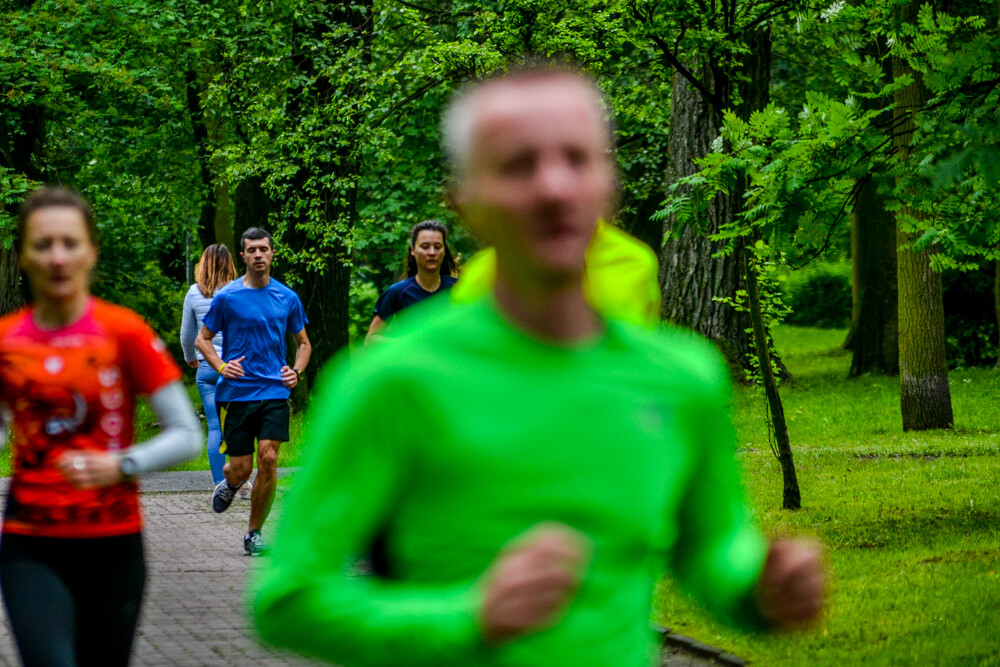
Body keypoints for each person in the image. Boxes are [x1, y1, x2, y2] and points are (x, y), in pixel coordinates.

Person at [252, 66, 823, 666]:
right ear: (464, 202)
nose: (554, 187)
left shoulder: (685, 377)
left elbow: (711, 549)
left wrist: (759, 587)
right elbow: (288, 599)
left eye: (577, 159)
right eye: (519, 166)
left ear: (610, 184)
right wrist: (469, 620)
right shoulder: (392, 381)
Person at [0, 187, 202, 667]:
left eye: (70, 243)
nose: (57, 257)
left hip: (112, 545)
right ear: (23, 256)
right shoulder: (7, 341)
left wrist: (121, 464)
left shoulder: (124, 332)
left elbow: (186, 433)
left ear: (91, 251)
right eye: (42, 244)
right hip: (31, 545)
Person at [195, 227, 311, 556]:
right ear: (243, 256)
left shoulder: (287, 297)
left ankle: (254, 533)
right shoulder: (228, 297)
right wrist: (220, 366)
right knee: (242, 467)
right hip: (236, 394)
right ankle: (231, 482)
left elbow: (303, 344)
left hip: (274, 391)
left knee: (269, 459)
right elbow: (202, 340)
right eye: (252, 250)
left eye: (264, 249)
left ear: (273, 254)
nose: (258, 255)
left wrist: (297, 372)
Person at [180, 243, 250, 498]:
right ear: (230, 263)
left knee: (214, 428)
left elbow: (187, 334)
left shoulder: (193, 293)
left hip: (207, 368)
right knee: (239, 425)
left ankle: (221, 485)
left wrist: (191, 357)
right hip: (235, 368)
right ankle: (240, 482)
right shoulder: (239, 291)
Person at [365, 219, 458, 345]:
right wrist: (407, 344)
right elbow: (371, 340)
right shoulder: (398, 292)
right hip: (414, 364)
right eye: (425, 247)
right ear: (412, 250)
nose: (432, 253)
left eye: (437, 247)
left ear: (444, 251)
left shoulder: (458, 288)